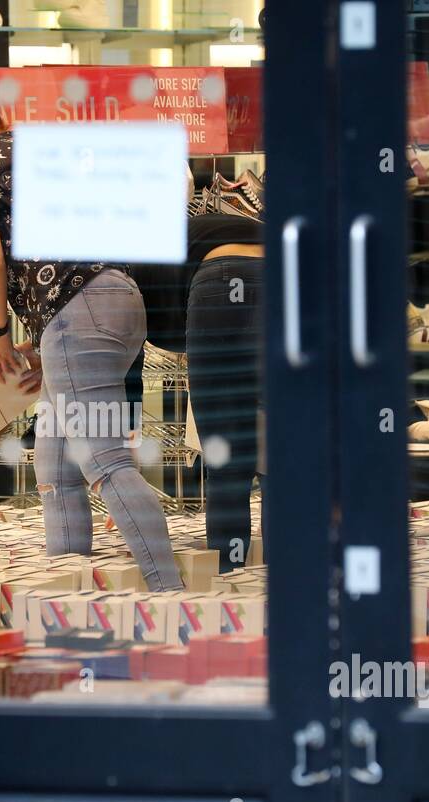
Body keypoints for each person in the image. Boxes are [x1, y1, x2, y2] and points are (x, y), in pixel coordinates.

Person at [0, 68, 182, 591]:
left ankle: (170, 595)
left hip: (78, 311)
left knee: (104, 461)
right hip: (117, 300)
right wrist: (49, 339)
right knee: (56, 460)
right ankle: (69, 594)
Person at [129, 213, 264, 572]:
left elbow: (128, 362)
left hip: (218, 279)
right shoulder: (162, 244)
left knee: (227, 461)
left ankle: (230, 578)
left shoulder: (121, 284)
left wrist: (124, 442)